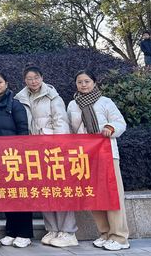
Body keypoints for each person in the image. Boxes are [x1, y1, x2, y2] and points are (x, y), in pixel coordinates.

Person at [14, 66, 78, 248]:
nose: (33, 81)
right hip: (33, 151)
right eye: (29, 78)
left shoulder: (53, 97)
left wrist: (60, 148)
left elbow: (61, 122)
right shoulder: (20, 98)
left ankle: (68, 231)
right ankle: (52, 229)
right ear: (24, 80)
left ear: (42, 78)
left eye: (36, 77)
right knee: (43, 190)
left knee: (60, 189)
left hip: (53, 149)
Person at [67, 70, 129, 251]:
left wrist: (110, 127)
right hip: (85, 156)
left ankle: (119, 237)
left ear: (94, 83)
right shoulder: (72, 105)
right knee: (94, 195)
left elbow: (120, 123)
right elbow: (70, 130)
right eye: (80, 82)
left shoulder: (105, 102)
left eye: (87, 81)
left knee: (113, 195)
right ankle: (105, 233)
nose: (83, 85)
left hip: (107, 154)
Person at [0, 71, 32, 249]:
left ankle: (24, 233)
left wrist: (20, 153)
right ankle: (11, 231)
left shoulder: (15, 104)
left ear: (6, 83)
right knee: (6, 194)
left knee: (20, 194)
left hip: (13, 155)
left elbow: (23, 129)